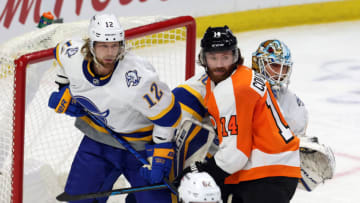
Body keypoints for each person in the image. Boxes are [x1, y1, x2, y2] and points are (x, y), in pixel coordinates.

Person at [48, 14, 181, 203]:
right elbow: (60, 57)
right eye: (103, 45)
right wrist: (64, 89)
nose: (110, 52)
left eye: (115, 45)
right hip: (98, 140)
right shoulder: (72, 55)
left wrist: (160, 153)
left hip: (140, 146)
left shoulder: (137, 78)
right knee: (78, 200)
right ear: (91, 45)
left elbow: (169, 115)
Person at [184, 26, 301, 203]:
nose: (219, 64)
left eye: (225, 57)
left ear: (236, 56)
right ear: (203, 59)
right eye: (213, 58)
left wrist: (200, 171)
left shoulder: (231, 89)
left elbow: (235, 156)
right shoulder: (245, 76)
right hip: (274, 171)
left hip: (264, 176)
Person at [252, 39, 335, 192]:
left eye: (284, 68)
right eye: (275, 66)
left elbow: (294, 141)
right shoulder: (243, 90)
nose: (280, 73)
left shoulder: (291, 103)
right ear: (258, 63)